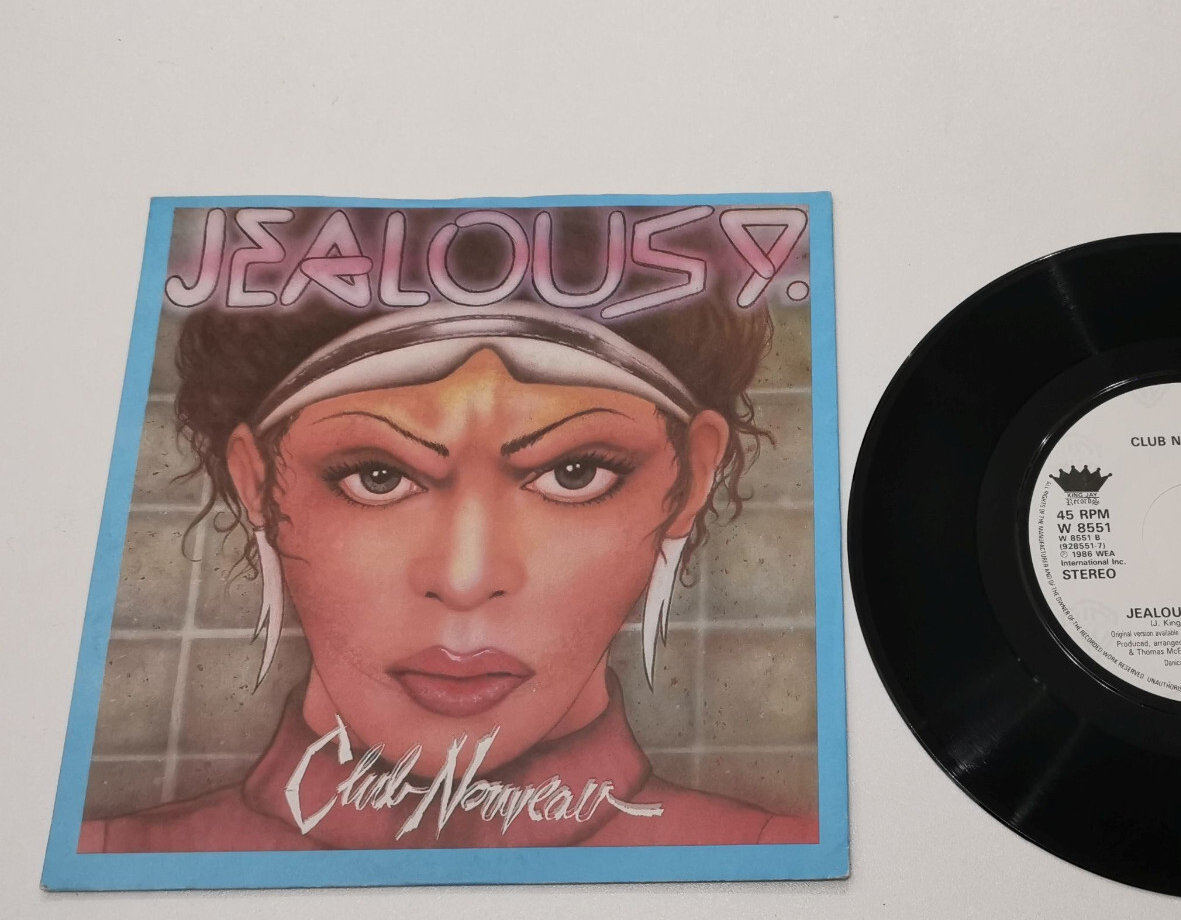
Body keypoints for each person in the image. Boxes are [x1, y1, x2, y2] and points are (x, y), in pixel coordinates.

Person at [80, 285, 816, 852]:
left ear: (690, 480)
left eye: (574, 472)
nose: (465, 580)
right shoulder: (106, 858)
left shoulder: (778, 858)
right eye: (376, 476)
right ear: (257, 483)